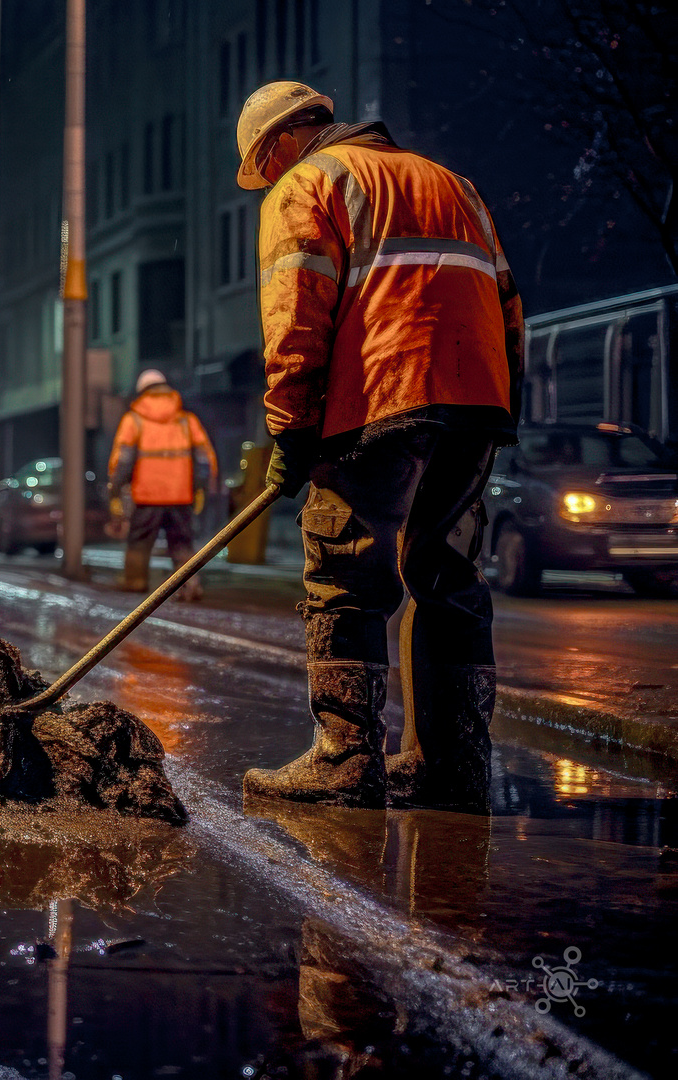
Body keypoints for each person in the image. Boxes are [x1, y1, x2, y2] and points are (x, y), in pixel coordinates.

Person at [234, 82, 524, 812]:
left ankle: (344, 760)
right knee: (448, 579)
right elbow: (507, 300)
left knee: (344, 575)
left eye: (261, 167)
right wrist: (499, 405)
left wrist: (290, 427)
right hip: (473, 402)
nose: (267, 181)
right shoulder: (449, 182)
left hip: (377, 401)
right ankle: (452, 765)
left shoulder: (310, 181)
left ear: (277, 144)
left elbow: (296, 314)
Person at [106, 369, 217, 600]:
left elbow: (123, 461)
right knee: (182, 543)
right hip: (181, 495)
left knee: (139, 542)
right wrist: (200, 487)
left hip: (146, 495)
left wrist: (116, 488)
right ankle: (191, 585)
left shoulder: (133, 420)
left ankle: (135, 582)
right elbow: (204, 459)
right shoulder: (187, 420)